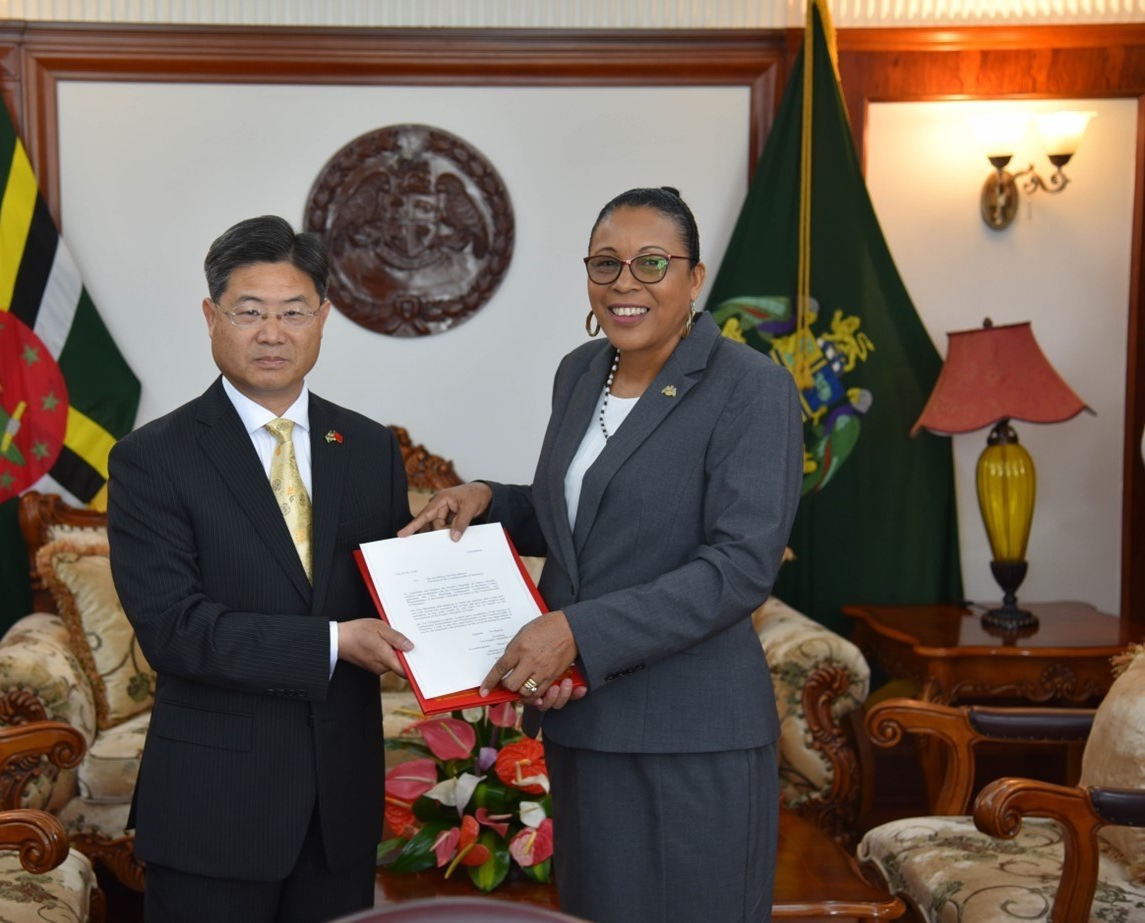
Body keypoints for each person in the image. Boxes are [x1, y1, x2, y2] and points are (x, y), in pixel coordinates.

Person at [401, 187, 803, 922]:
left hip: (692, 735)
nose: (625, 282)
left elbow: (739, 568)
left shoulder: (751, 387)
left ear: (694, 277)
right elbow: (580, 516)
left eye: (652, 263)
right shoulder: (582, 371)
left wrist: (576, 632)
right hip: (585, 725)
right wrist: (488, 498)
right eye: (605, 263)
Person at [107, 215, 414, 923]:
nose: (272, 333)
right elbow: (175, 630)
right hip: (214, 805)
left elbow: (397, 588)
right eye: (249, 312)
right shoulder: (153, 458)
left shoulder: (369, 447)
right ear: (211, 317)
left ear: (323, 318)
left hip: (340, 805)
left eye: (293, 312)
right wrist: (334, 642)